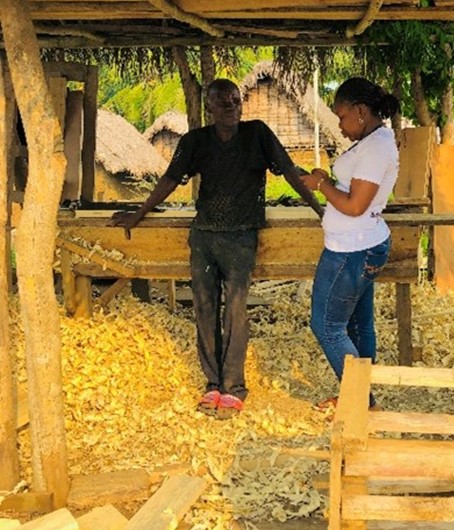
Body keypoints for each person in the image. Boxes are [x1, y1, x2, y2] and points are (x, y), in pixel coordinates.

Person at [113, 78, 323, 419]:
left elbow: (287, 172)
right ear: (208, 108)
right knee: (204, 310)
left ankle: (234, 387)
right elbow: (169, 179)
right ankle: (212, 384)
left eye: (236, 101)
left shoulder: (258, 134)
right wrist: (139, 213)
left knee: (235, 312)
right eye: (223, 102)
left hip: (241, 237)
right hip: (205, 236)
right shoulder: (196, 141)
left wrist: (318, 210)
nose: (232, 107)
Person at [300, 77, 400, 410]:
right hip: (360, 244)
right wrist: (326, 181)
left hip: (351, 250)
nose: (340, 126)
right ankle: (360, 397)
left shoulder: (376, 147)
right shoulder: (374, 141)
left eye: (342, 117)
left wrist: (321, 184)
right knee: (357, 324)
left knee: (326, 325)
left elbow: (356, 206)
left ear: (360, 111)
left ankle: (361, 403)